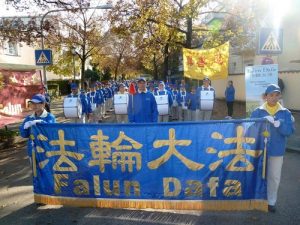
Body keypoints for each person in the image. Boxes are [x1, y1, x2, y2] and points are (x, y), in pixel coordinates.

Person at [250, 84, 295, 213]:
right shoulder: (258, 111)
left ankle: (271, 201)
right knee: (258, 175)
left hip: (276, 151)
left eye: (277, 95)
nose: (274, 98)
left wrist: (279, 124)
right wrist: (260, 121)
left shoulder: (286, 113)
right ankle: (257, 199)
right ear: (265, 97)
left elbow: (289, 131)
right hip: (260, 150)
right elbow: (250, 129)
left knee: (274, 177)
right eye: (271, 95)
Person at [19, 94, 56, 162]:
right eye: (32, 103)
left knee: (47, 171)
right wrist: (25, 128)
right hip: (33, 150)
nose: (34, 105)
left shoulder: (50, 117)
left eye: (37, 103)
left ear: (43, 104)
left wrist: (41, 123)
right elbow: (23, 135)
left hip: (47, 151)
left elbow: (51, 132)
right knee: (35, 171)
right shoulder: (29, 118)